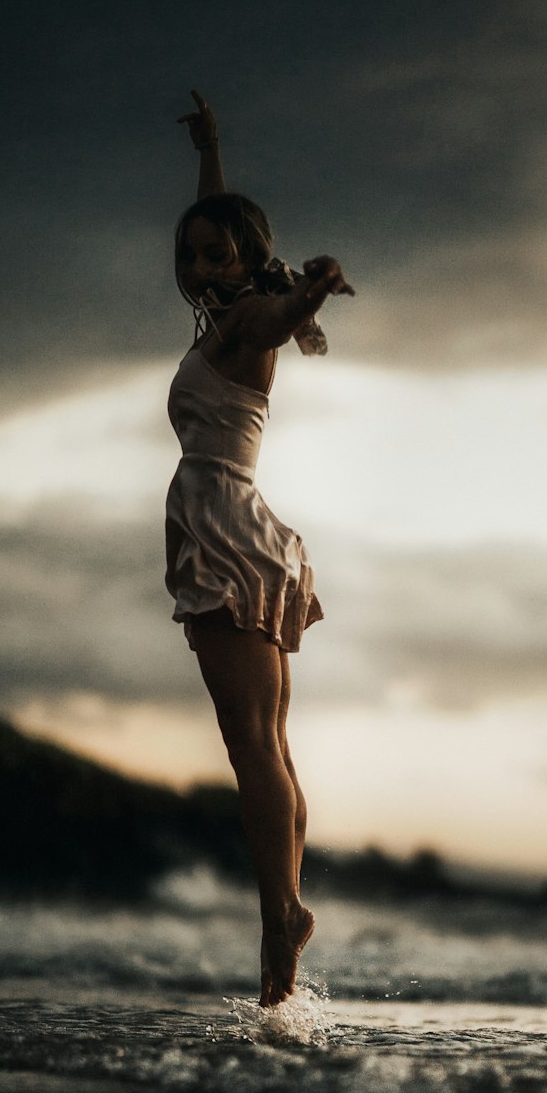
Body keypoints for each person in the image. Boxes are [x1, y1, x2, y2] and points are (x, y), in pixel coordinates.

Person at [166, 90, 354, 1006]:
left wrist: (311, 292)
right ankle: (285, 913)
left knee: (251, 744)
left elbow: (271, 316)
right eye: (191, 252)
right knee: (268, 743)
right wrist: (211, 149)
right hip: (245, 525)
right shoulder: (229, 311)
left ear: (246, 261)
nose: (201, 264)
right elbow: (238, 240)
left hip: (223, 530)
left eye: (216, 253)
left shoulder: (247, 323)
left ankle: (281, 920)